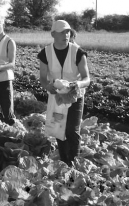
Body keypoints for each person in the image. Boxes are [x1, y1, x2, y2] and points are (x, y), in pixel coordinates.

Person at [38, 20, 90, 166]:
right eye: (61, 32)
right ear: (53, 34)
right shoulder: (45, 53)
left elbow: (87, 78)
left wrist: (77, 84)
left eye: (67, 31)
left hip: (74, 96)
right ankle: (63, 162)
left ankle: (73, 164)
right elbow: (42, 78)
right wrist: (48, 87)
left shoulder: (78, 52)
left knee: (72, 131)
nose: (65, 35)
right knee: (59, 129)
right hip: (56, 96)